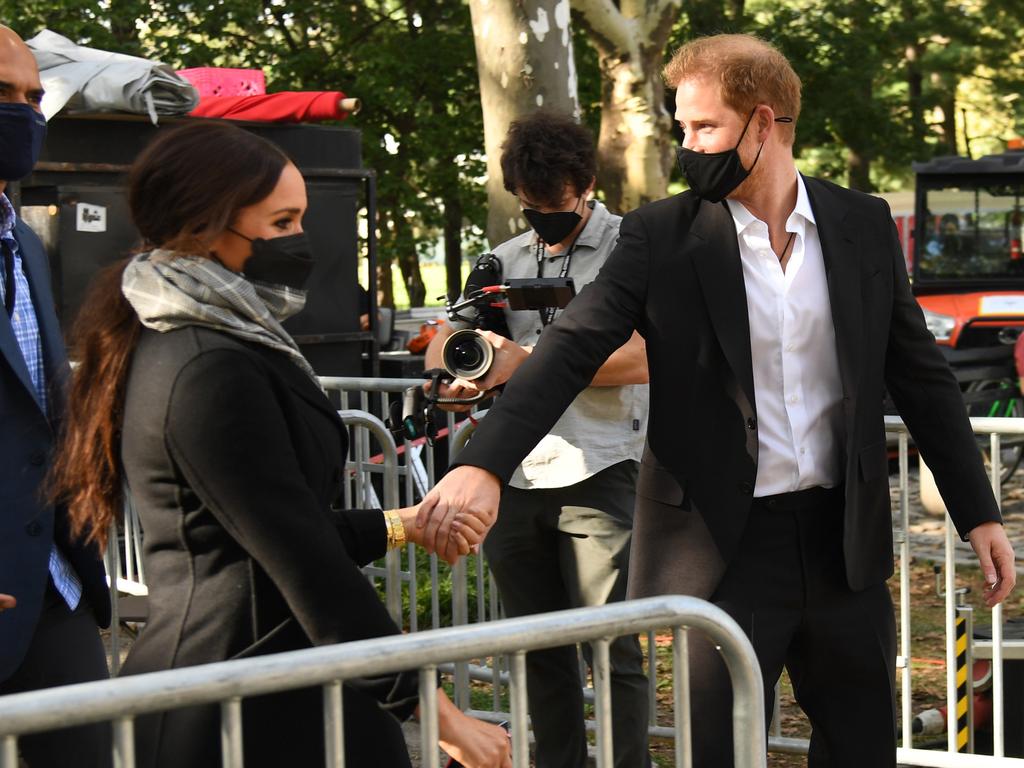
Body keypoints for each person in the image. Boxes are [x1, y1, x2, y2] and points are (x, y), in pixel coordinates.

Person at [417, 34, 1017, 767]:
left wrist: (977, 510)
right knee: (721, 755)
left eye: (704, 128)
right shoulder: (659, 237)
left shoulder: (860, 225)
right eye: (681, 128)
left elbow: (919, 373)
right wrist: (485, 463)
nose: (688, 145)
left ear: (764, 124)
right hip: (722, 554)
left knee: (863, 750)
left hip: (844, 544)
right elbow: (572, 348)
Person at [48, 120, 510, 768]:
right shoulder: (206, 366)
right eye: (283, 221)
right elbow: (302, 561)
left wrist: (401, 524)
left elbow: (267, 523)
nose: (302, 240)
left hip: (278, 683)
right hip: (237, 704)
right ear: (206, 227)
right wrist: (438, 713)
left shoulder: (221, 337)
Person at [424, 111, 651, 768]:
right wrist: (463, 368)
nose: (543, 216)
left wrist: (525, 362)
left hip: (603, 467)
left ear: (585, 183)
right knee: (537, 648)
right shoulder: (500, 260)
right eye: (529, 206)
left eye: (554, 205)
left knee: (613, 648)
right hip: (510, 479)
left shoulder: (631, 248)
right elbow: (445, 344)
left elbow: (644, 358)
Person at [0, 24, 112, 768]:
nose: (25, 112)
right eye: (2, 95)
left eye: (34, 97)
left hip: (57, 586)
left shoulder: (26, 245)